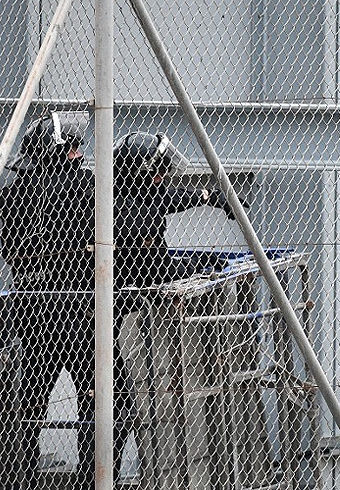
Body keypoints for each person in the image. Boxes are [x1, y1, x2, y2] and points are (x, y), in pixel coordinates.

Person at [111, 131, 238, 478]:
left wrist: (209, 196)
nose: (164, 178)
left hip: (116, 315)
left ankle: (106, 477)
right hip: (106, 323)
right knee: (118, 403)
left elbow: (169, 196)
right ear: (140, 173)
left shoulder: (131, 195)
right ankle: (101, 478)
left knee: (120, 404)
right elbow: (156, 271)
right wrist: (206, 268)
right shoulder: (131, 214)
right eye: (158, 172)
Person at [0, 110, 95, 488]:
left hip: (33, 310)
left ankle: (25, 477)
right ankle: (92, 478)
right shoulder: (85, 187)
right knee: (110, 399)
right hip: (79, 312)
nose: (80, 152)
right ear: (59, 151)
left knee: (32, 399)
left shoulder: (14, 193)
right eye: (74, 146)